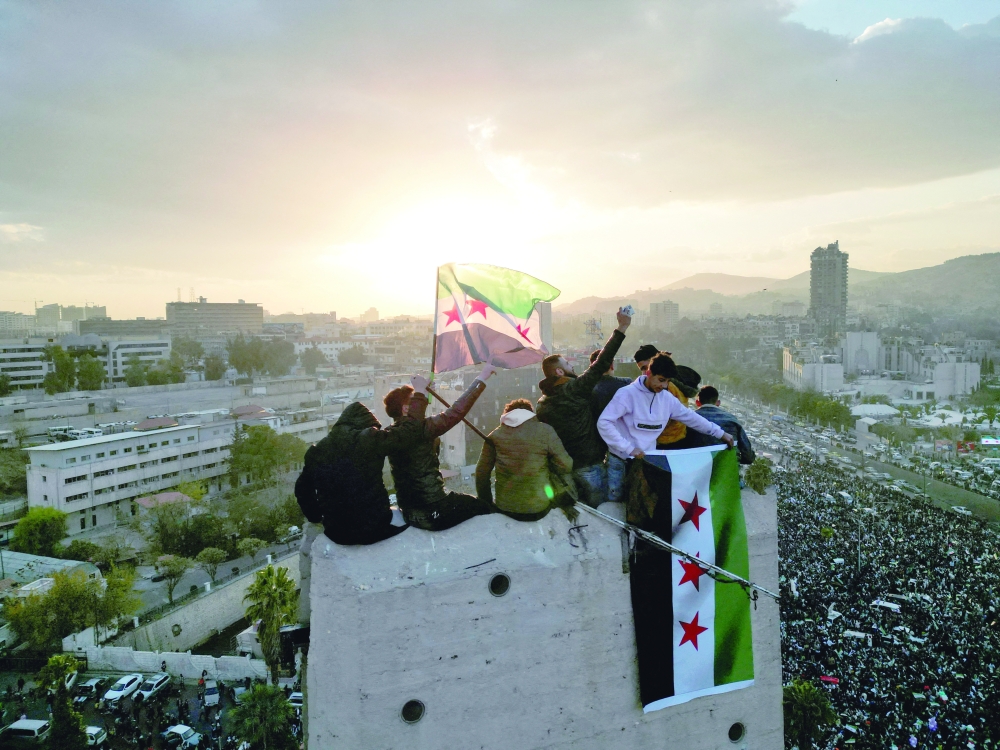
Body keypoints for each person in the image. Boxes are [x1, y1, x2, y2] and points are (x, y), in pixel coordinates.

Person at [294, 385, 425, 545]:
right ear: (367, 424)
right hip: (375, 527)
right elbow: (409, 434)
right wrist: (420, 396)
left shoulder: (317, 450)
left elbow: (301, 489)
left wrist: (315, 516)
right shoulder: (369, 438)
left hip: (337, 532)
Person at [537, 307, 632, 506]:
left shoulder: (543, 403)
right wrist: (621, 327)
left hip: (565, 467)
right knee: (601, 510)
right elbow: (601, 363)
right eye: (567, 365)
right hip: (590, 465)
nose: (572, 367)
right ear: (559, 372)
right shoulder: (574, 389)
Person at [384, 364, 497, 531]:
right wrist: (481, 378)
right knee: (483, 507)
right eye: (414, 400)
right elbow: (457, 410)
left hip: (409, 512)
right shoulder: (423, 429)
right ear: (406, 408)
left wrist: (425, 392)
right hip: (435, 510)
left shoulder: (390, 434)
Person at [597, 352, 734, 464]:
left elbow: (690, 417)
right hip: (620, 461)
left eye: (668, 381)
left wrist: (720, 433)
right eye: (661, 380)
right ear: (649, 373)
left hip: (647, 460)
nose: (664, 386)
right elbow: (604, 422)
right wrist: (628, 448)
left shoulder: (667, 399)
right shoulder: (627, 394)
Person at [476, 399, 574, 521]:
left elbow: (481, 474)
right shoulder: (546, 431)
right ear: (531, 414)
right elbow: (566, 465)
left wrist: (487, 503)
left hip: (505, 508)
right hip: (539, 509)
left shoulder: (495, 436)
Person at [693, 385, 755, 464]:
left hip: (695, 469)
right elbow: (748, 456)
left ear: (697, 402)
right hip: (724, 471)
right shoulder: (732, 420)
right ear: (718, 403)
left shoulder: (688, 420)